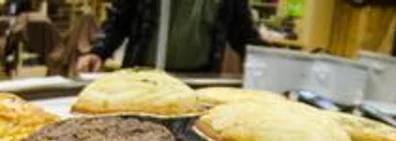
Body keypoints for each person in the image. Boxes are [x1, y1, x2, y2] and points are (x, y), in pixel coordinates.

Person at [76, 0, 265, 74]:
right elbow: (118, 21)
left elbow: (244, 35)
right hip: (143, 76)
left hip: (196, 80)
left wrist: (273, 63)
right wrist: (98, 51)